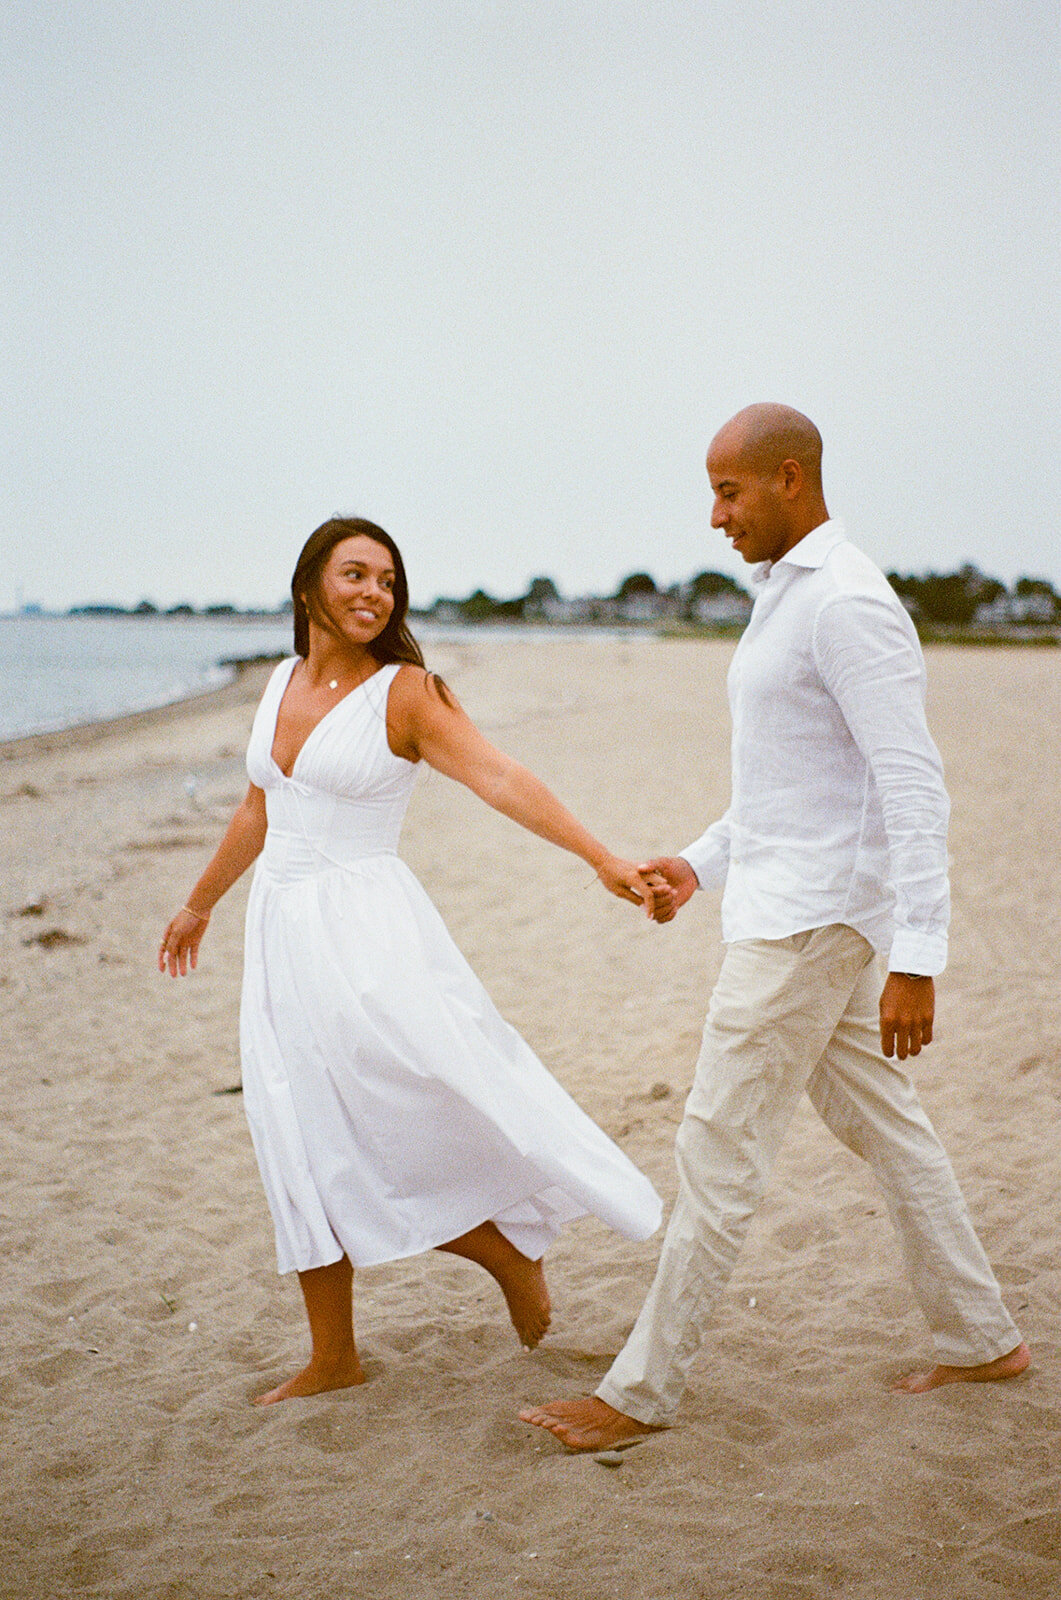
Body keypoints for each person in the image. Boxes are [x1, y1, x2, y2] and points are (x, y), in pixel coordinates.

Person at [521, 403, 1030, 1452]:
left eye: (729, 490)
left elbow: (909, 784)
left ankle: (641, 1391)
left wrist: (917, 959)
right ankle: (981, 1335)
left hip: (808, 930)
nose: (713, 514)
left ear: (789, 477)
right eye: (710, 491)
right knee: (889, 1130)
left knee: (713, 1148)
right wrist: (698, 864)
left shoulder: (844, 602)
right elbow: (788, 785)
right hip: (788, 904)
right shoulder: (784, 595)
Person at [159, 516, 666, 1405]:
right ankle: (334, 1356)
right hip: (281, 931)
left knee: (392, 1116)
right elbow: (256, 808)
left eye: (387, 581)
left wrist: (601, 857)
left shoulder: (406, 693)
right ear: (308, 582)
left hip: (367, 935)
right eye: (354, 574)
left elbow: (500, 778)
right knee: (299, 1136)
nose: (373, 594)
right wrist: (200, 903)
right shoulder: (277, 680)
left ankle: (506, 1254)